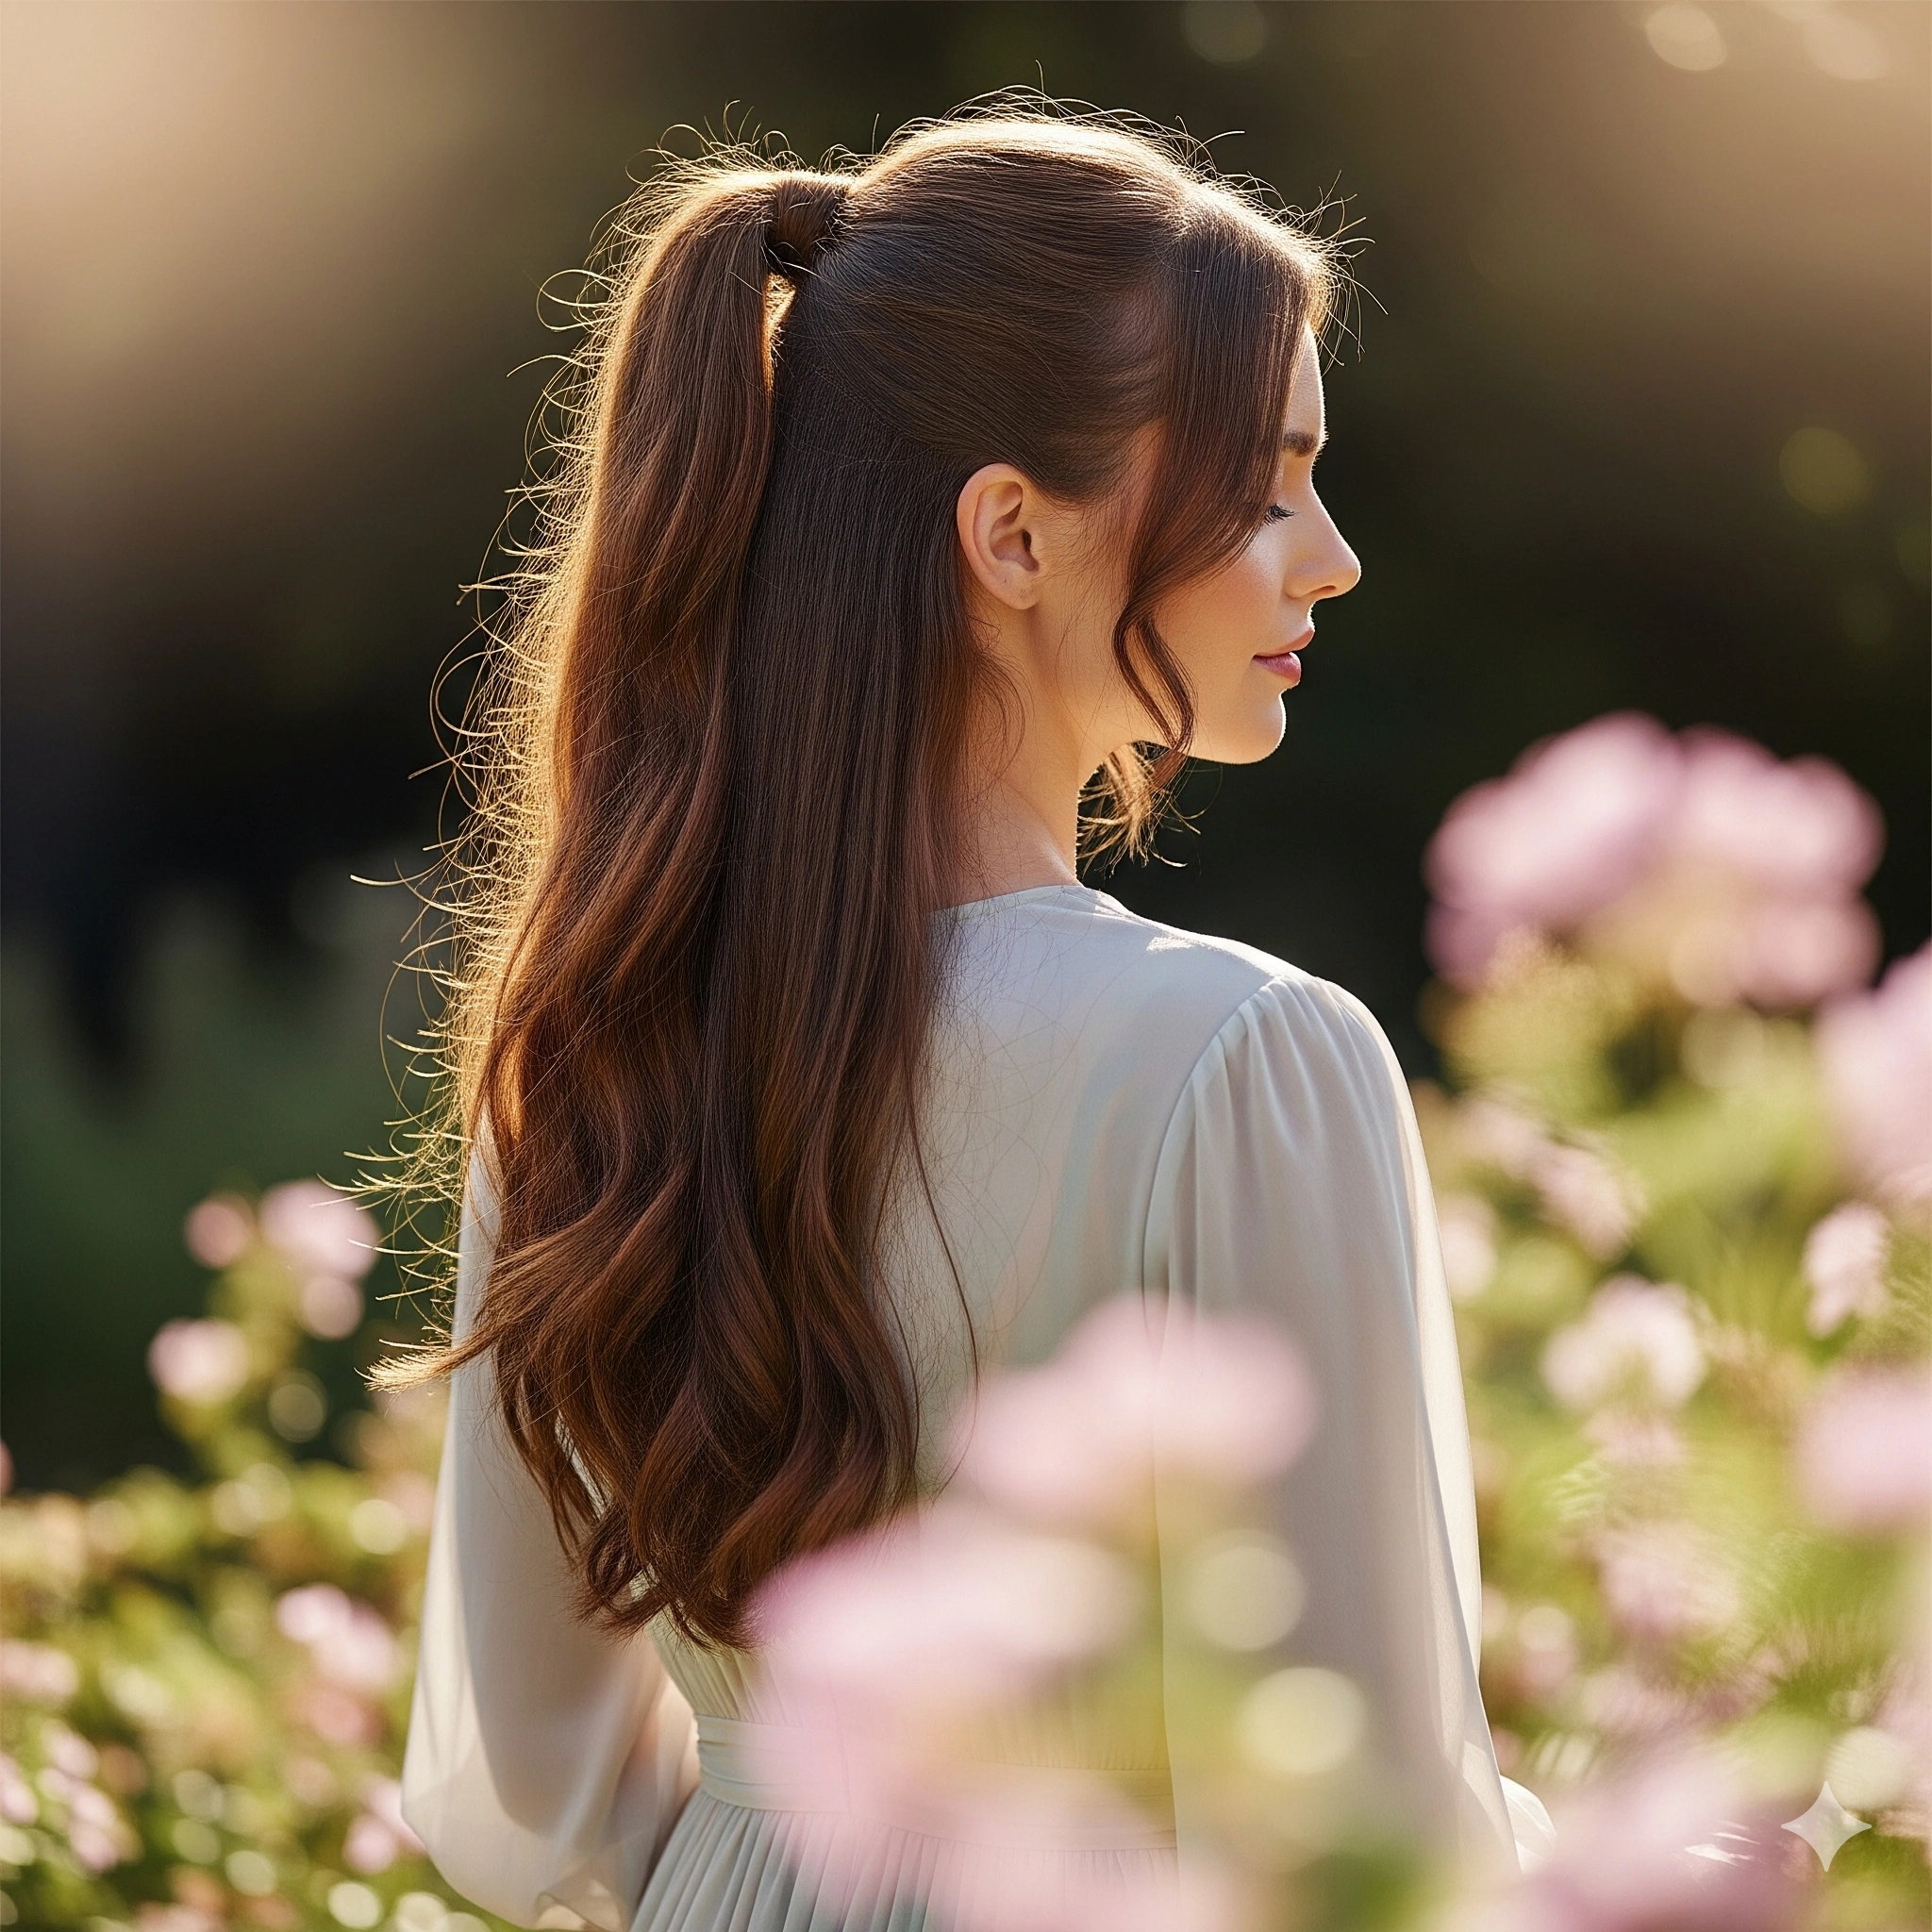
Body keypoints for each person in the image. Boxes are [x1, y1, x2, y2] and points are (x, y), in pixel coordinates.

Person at [395, 108, 1553, 1932]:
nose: (1328, 556)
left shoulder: (594, 1051)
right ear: (1012, 531)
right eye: (1265, 485)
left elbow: (526, 1788)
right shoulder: (1249, 1061)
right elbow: (1353, 1848)